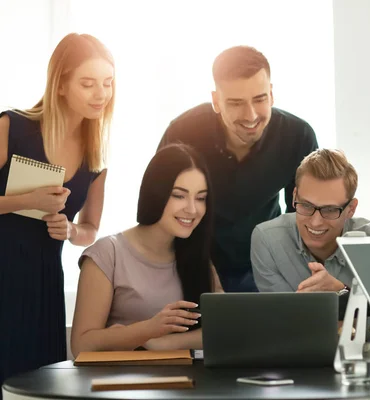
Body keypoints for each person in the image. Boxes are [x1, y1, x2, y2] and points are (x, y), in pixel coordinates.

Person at [0, 33, 114, 389]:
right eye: (88, 83)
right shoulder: (11, 127)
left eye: (108, 83)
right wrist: (27, 201)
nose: (101, 94)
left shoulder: (96, 155)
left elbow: (90, 229)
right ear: (61, 85)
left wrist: (69, 231)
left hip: (43, 284)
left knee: (36, 386)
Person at [157, 45, 318, 292]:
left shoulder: (298, 136)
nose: (251, 115)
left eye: (260, 99)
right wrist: (205, 274)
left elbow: (304, 218)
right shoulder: (182, 134)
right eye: (236, 103)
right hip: (193, 260)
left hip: (266, 261)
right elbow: (163, 212)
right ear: (216, 101)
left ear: (272, 94)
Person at [251, 149, 370, 352]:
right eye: (306, 205)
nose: (316, 221)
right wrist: (347, 323)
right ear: (294, 196)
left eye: (330, 210)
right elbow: (280, 331)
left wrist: (342, 293)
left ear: (351, 209)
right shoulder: (268, 239)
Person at [70, 144, 222, 357]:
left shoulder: (197, 256)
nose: (192, 209)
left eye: (200, 198)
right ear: (156, 192)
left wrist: (157, 342)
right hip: (117, 385)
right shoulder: (107, 253)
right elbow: (81, 346)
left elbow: (222, 331)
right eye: (179, 195)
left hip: (185, 384)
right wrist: (148, 329)